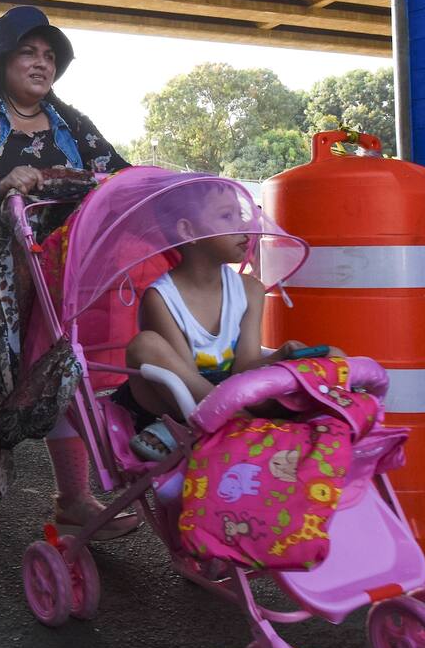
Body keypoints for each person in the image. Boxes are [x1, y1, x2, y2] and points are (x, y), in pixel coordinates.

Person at [0, 5, 138, 539]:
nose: (42, 64)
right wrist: (1, 181)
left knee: (58, 371)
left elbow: (116, 169)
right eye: (29, 52)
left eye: (50, 56)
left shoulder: (69, 121)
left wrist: (153, 188)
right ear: (2, 60)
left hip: (47, 264)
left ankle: (74, 500)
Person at [115, 182, 335, 458]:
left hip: (229, 388)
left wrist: (280, 356)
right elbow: (183, 381)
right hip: (174, 404)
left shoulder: (250, 290)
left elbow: (245, 366)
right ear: (188, 231)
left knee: (322, 357)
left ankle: (251, 420)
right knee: (145, 344)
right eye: (226, 216)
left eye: (241, 214)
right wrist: (236, 403)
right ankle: (234, 424)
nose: (244, 226)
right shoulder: (161, 298)